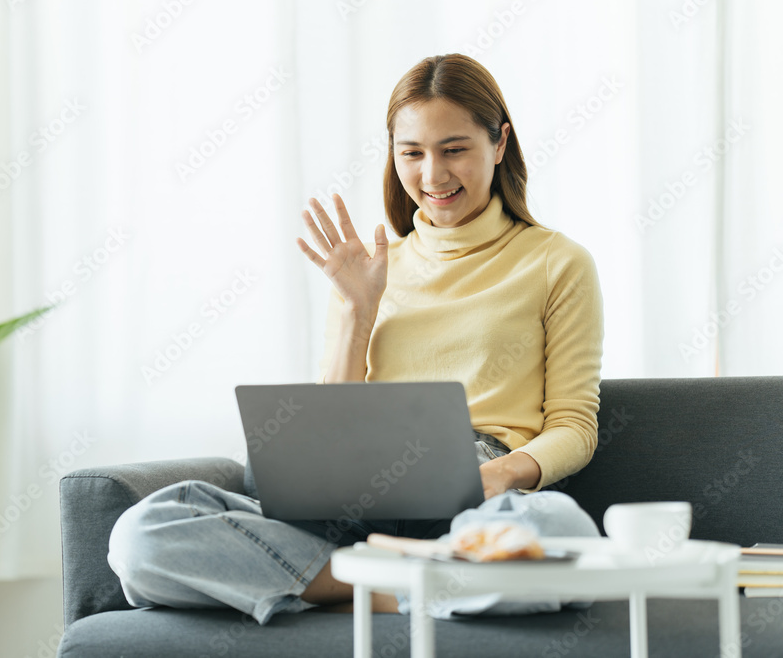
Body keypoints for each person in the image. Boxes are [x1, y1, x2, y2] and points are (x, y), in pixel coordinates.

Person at [107, 53, 604, 625]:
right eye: (412, 153)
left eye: (454, 149)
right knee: (140, 536)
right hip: (354, 488)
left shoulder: (555, 262)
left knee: (560, 530)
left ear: (499, 144)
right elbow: (328, 424)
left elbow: (574, 425)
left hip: (478, 488)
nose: (433, 176)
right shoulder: (371, 269)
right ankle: (400, 584)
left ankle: (354, 574)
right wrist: (355, 309)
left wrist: (500, 473)